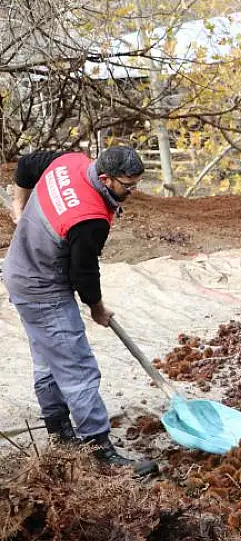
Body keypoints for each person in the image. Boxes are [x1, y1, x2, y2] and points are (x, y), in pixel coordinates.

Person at [3, 146, 158, 475]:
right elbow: (83, 274)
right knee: (77, 367)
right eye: (127, 187)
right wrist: (97, 308)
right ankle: (100, 450)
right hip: (43, 286)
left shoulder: (69, 161)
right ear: (104, 178)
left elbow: (28, 164)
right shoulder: (89, 219)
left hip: (19, 271)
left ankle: (60, 435)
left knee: (49, 358)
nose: (132, 192)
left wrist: (20, 207)